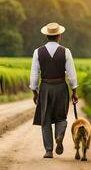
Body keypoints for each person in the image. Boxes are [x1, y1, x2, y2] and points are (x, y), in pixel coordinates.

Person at [29, 22, 78, 158]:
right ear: (59, 36)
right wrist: (74, 91)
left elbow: (34, 75)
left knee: (45, 119)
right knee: (61, 116)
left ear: (46, 35)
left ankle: (49, 150)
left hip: (45, 87)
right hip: (61, 87)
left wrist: (34, 91)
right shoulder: (66, 51)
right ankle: (59, 136)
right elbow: (71, 74)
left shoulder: (37, 52)